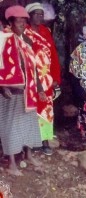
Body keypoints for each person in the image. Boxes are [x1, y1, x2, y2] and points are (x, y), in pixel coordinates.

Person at [0, 5, 43, 176]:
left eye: (24, 21)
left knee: (28, 124)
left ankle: (28, 155)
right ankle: (11, 163)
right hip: (11, 91)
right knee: (11, 126)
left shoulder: (27, 41)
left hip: (28, 92)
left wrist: (39, 88)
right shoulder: (3, 40)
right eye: (18, 21)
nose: (22, 24)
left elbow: (33, 67)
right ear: (10, 22)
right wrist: (2, 87)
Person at [24, 2, 61, 155]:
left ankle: (44, 140)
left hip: (46, 77)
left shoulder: (46, 31)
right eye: (36, 14)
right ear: (29, 16)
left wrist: (55, 77)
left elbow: (53, 54)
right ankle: (31, 142)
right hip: (30, 77)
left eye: (41, 14)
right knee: (31, 107)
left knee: (46, 109)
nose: (39, 17)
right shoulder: (23, 31)